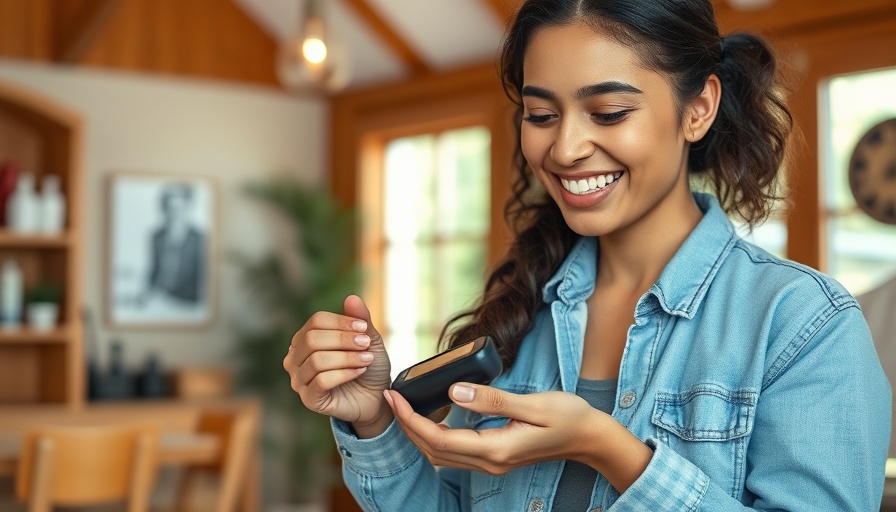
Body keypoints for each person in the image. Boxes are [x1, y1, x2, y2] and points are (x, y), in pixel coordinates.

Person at [283, 0, 892, 509]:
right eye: (541, 114)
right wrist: (372, 420)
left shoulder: (804, 325)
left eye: (609, 112)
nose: (566, 148)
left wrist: (607, 448)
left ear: (698, 108)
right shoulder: (523, 313)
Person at [143, 183, 205, 305]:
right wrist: (149, 293)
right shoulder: (156, 236)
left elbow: (201, 279)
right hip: (159, 299)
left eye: (178, 209)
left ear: (187, 208)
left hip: (186, 302)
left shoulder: (199, 239)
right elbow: (154, 271)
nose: (174, 214)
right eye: (170, 208)